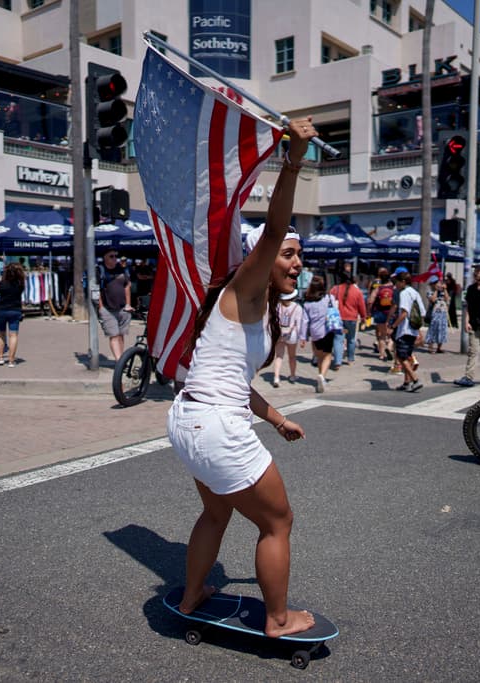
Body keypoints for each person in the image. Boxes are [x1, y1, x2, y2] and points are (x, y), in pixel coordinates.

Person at [166, 117, 316, 638]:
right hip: (215, 428)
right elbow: (274, 229)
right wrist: (293, 158)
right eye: (290, 255)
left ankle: (191, 595)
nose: (297, 262)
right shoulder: (245, 288)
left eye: (300, 255)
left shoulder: (253, 307)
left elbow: (231, 380)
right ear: (263, 258)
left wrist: (276, 417)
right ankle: (278, 619)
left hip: (189, 420)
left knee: (216, 514)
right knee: (277, 522)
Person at [388, 271, 424, 392]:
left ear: (403, 282)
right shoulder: (415, 293)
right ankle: (406, 382)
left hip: (405, 330)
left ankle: (415, 380)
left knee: (401, 356)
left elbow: (404, 313)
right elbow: (422, 312)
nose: (395, 285)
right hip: (413, 329)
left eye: (397, 282)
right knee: (407, 356)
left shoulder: (404, 293)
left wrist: (393, 326)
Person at [301, 275, 335, 393]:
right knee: (328, 355)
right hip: (328, 330)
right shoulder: (329, 298)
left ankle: (321, 376)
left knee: (319, 356)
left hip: (315, 332)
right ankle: (322, 376)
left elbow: (304, 321)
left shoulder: (307, 303)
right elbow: (336, 311)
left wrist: (303, 337)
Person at [98, 248, 133, 361]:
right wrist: (101, 307)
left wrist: (128, 304)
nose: (114, 259)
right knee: (114, 335)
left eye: (115, 256)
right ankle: (119, 361)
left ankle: (121, 360)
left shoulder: (121, 270)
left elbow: (127, 286)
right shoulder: (100, 271)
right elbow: (96, 289)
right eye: (111, 256)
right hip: (108, 309)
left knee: (121, 334)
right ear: (105, 258)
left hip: (123, 308)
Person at [0, 262, 26, 368]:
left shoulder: (3, 283)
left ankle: (1, 357)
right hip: (15, 311)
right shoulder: (20, 284)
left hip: (1, 310)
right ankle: (11, 360)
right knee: (13, 335)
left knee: (1, 334)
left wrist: (0, 280)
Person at [329, 272, 366, 366]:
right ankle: (350, 359)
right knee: (351, 339)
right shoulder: (357, 291)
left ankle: (337, 361)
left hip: (338, 318)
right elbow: (361, 306)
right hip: (351, 318)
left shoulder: (335, 289)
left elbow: (329, 301)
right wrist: (363, 317)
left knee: (338, 339)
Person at [272, 290, 303, 387]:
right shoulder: (297, 307)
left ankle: (276, 377)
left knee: (279, 356)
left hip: (280, 333)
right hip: (291, 334)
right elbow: (299, 324)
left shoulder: (278, 306)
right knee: (292, 356)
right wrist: (301, 337)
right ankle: (293, 375)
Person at [366, 267, 395, 361]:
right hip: (391, 313)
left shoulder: (378, 288)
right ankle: (389, 347)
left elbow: (370, 301)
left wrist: (369, 312)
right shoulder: (393, 288)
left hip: (380, 312)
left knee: (382, 335)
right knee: (391, 334)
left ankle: (382, 355)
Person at [425, 275, 449, 353]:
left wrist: (445, 289)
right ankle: (430, 347)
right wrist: (436, 290)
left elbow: (447, 299)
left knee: (442, 330)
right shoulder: (430, 292)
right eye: (434, 283)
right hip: (434, 313)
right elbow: (433, 299)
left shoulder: (442, 292)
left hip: (443, 313)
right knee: (433, 330)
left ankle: (439, 347)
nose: (437, 284)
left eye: (437, 282)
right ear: (431, 284)